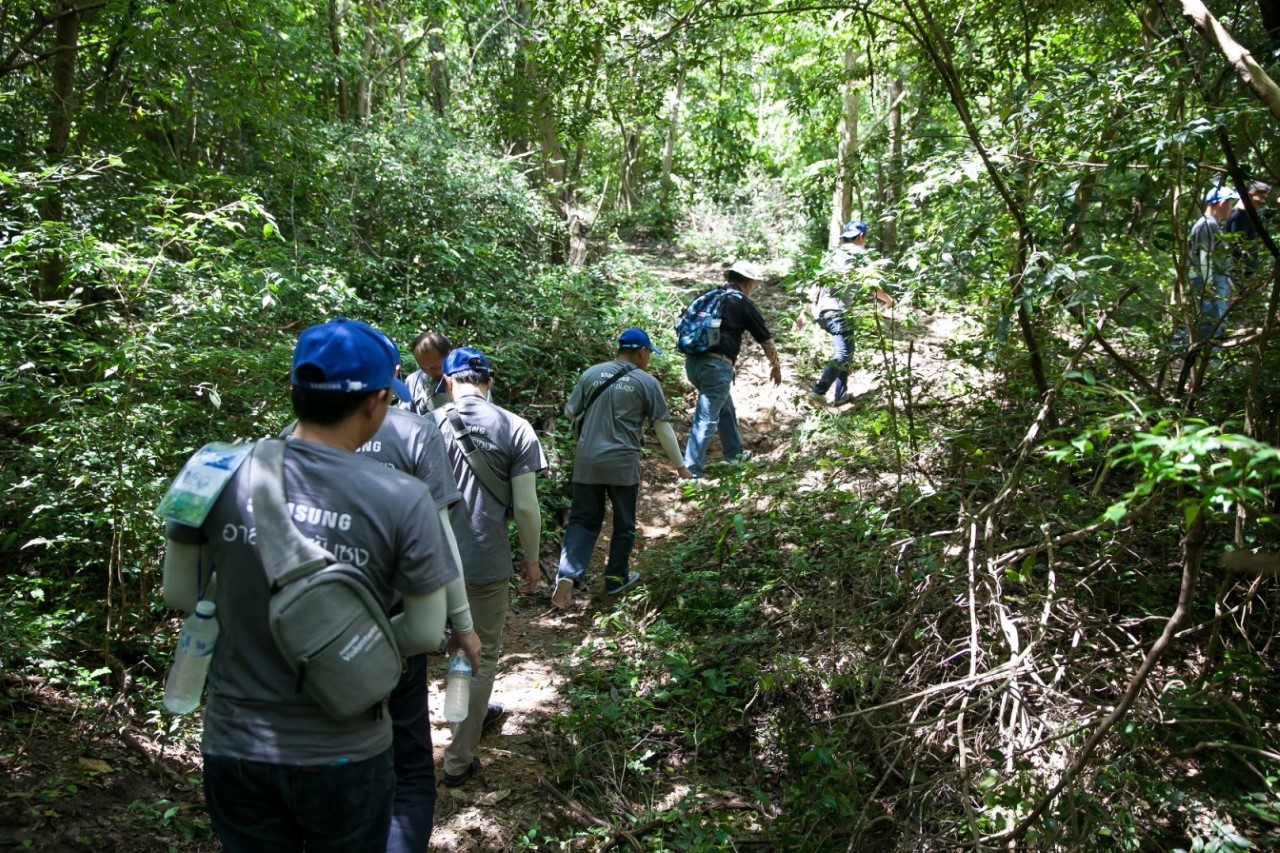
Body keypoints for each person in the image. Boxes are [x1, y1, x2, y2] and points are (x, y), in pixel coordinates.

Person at [162, 317, 475, 853]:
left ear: (294, 392)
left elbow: (181, 595)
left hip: (237, 745)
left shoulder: (210, 467)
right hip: (347, 749)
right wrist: (340, 645)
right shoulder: (404, 499)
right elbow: (424, 631)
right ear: (378, 401)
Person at [285, 395, 478, 852]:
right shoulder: (414, 437)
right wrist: (463, 622)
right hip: (386, 633)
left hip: (298, 639)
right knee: (407, 770)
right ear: (377, 398)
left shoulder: (272, 451)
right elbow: (441, 538)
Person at [432, 346, 547, 788]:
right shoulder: (515, 427)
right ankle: (458, 760)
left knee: (448, 652)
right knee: (476, 653)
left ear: (447, 382)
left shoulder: (424, 426)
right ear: (489, 382)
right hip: (482, 560)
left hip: (426, 562)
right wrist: (532, 559)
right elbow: (526, 506)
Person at [551, 328, 692, 609]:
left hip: (587, 460)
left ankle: (566, 576)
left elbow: (569, 412)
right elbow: (661, 426)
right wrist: (681, 467)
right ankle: (616, 578)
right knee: (624, 523)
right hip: (622, 463)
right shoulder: (646, 382)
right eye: (649, 353)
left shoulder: (592, 373)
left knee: (581, 520)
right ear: (642, 352)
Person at [681, 260, 782, 479]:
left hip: (692, 363)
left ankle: (734, 454)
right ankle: (691, 473)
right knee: (705, 419)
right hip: (716, 366)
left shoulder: (709, 296)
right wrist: (776, 366)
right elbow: (765, 340)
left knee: (725, 408)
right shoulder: (741, 302)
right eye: (753, 284)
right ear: (747, 282)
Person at [802, 220, 868, 406]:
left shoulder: (832, 255)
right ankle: (817, 392)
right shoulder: (859, 254)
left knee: (847, 352)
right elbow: (871, 285)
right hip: (839, 311)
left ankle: (841, 395)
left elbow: (815, 286)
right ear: (861, 236)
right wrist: (889, 300)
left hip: (823, 312)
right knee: (842, 353)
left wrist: (803, 313)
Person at [1179, 184, 1239, 344]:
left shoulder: (1213, 224)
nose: (1232, 208)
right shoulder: (1206, 225)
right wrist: (1209, 287)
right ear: (1222, 203)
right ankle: (1208, 364)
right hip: (1208, 281)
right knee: (1211, 325)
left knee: (1215, 323)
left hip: (1217, 281)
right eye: (1230, 203)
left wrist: (1230, 285)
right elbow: (1205, 257)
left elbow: (1219, 258)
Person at [1224, 181, 1272, 280]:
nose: (1264, 199)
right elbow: (1237, 247)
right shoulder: (1237, 216)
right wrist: (1247, 275)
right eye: (1261, 193)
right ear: (1250, 194)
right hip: (1239, 274)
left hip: (1248, 273)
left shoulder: (1249, 215)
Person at [405, 331, 452, 415]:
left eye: (435, 367)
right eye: (423, 368)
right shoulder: (413, 381)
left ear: (448, 355)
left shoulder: (465, 378)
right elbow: (405, 417)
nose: (430, 372)